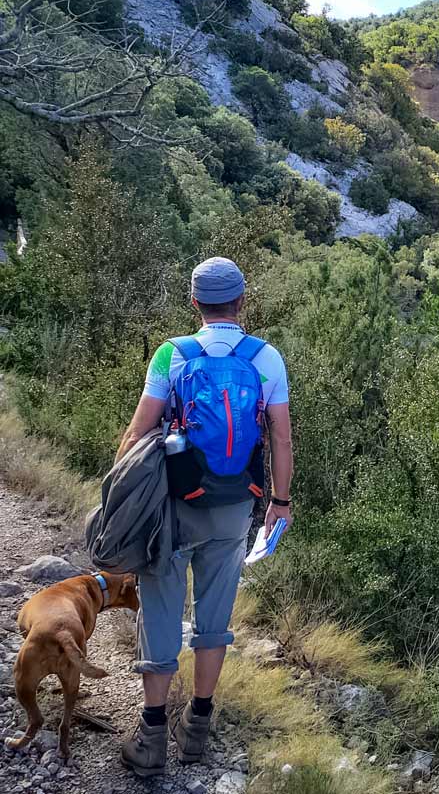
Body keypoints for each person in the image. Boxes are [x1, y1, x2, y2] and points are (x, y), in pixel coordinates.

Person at [114, 257, 293, 777]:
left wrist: (121, 500)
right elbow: (280, 437)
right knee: (215, 619)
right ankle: (197, 729)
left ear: (195, 303)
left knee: (162, 608)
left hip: (175, 503)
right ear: (242, 301)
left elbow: (137, 432)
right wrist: (278, 503)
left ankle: (150, 739)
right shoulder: (267, 359)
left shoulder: (173, 355)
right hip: (237, 505)